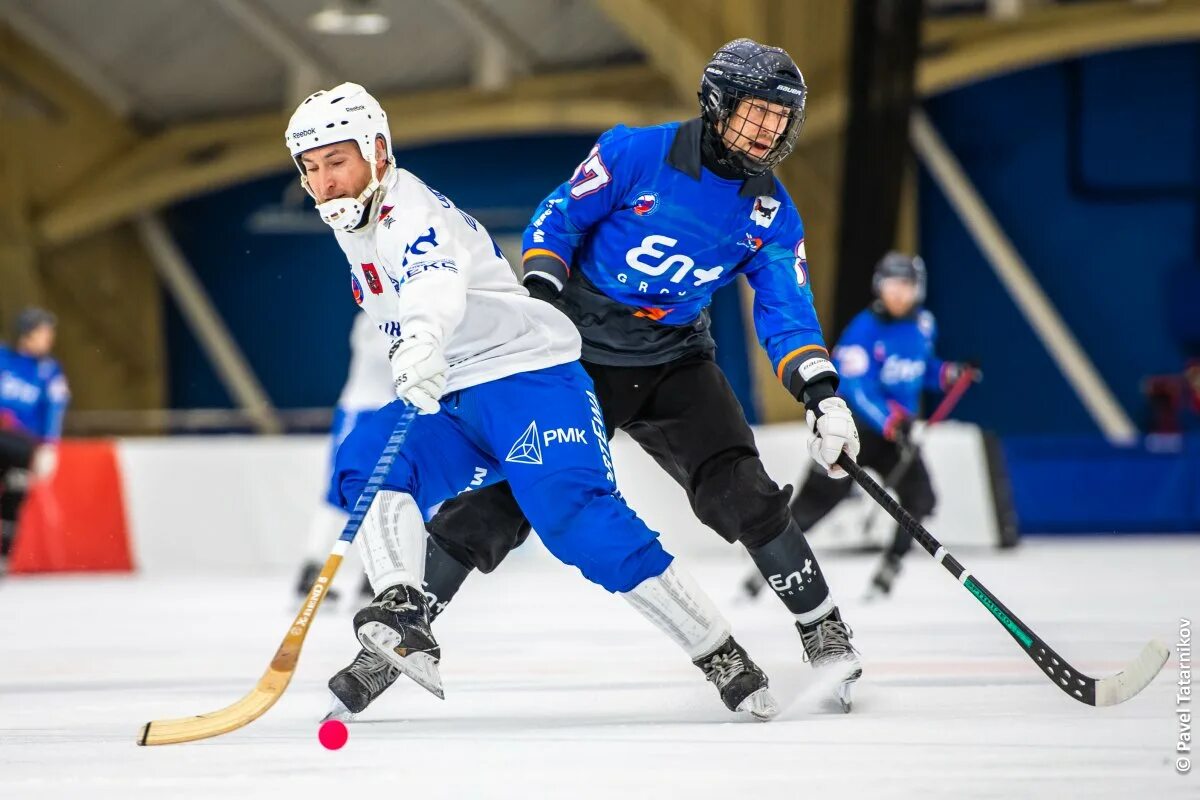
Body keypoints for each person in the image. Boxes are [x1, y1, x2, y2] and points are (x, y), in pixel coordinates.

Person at [284, 80, 857, 722]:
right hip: (567, 348)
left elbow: (432, 276)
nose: (765, 131)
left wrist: (822, 393)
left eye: (779, 119)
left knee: (701, 497)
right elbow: (558, 220)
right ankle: (399, 615)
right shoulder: (637, 153)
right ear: (719, 107)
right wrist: (539, 288)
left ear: (378, 153)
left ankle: (795, 633)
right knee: (400, 473)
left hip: (630, 365)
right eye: (313, 168)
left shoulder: (772, 214)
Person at [788, 252, 980, 597]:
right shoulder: (862, 329)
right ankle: (774, 561)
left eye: (905, 285)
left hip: (897, 434)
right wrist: (892, 421)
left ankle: (890, 568)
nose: (897, 294)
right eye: (891, 285)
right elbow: (856, 388)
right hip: (859, 431)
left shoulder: (924, 325)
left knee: (919, 498)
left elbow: (918, 369)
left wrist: (948, 374)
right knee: (819, 500)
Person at [294, 311, 394, 603]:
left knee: (398, 494)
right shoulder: (376, 312)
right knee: (339, 491)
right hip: (362, 410)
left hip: (393, 410)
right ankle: (312, 569)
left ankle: (376, 575)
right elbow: (386, 355)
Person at [0, 308, 70, 574]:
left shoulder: (48, 370)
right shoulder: (3, 359)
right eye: (44, 332)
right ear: (26, 334)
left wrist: (49, 447)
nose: (49, 338)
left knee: (13, 499)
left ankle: (3, 557)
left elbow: (54, 407)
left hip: (21, 445)